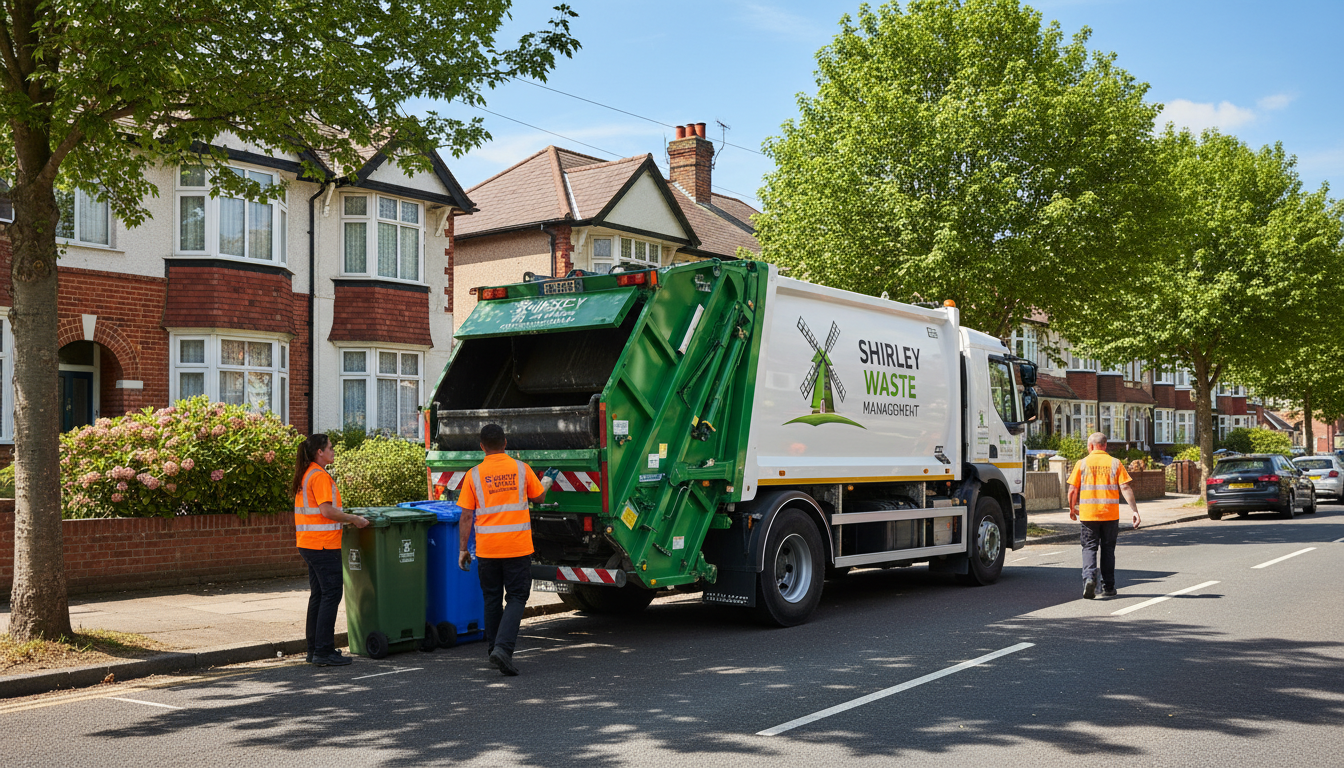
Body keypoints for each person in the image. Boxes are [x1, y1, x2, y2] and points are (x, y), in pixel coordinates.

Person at [457, 424, 552, 676]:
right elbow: (539, 497)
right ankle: (503, 649)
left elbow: (466, 516)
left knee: (491, 599)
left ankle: (493, 650)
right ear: (505, 443)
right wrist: (548, 481)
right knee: (517, 597)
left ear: (481, 446)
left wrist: (462, 549)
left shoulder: (474, 475)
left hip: (488, 550)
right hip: (517, 548)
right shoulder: (521, 469)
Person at [293, 433, 368, 666]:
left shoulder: (307, 475)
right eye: (331, 448)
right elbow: (327, 511)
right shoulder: (319, 476)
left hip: (309, 543)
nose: (333, 451)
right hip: (324, 544)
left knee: (319, 595)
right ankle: (323, 651)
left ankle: (314, 649)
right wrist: (354, 519)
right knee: (331, 595)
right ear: (320, 452)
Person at [1068, 432, 1142, 599]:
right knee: (1108, 550)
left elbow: (1073, 490)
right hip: (1110, 515)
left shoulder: (1082, 463)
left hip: (1088, 516)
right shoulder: (1115, 463)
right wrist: (1135, 511)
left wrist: (1072, 509)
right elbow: (1125, 488)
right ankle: (1108, 587)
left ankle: (1089, 579)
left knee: (1089, 548)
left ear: (1091, 446)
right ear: (1105, 445)